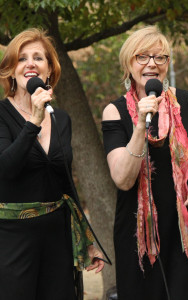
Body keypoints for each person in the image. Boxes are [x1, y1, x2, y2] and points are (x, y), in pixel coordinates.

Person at [101, 26, 188, 300]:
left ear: (167, 64)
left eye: (159, 57)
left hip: (186, 230)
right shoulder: (114, 111)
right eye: (142, 57)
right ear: (128, 63)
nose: (152, 64)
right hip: (136, 235)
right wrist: (140, 126)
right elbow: (123, 179)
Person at [0, 28, 104, 300]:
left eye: (38, 58)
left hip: (57, 236)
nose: (30, 63)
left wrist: (89, 240)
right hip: (11, 238)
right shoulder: (0, 114)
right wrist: (33, 121)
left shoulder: (61, 119)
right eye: (22, 59)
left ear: (49, 71)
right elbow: (6, 169)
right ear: (11, 70)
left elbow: (66, 183)